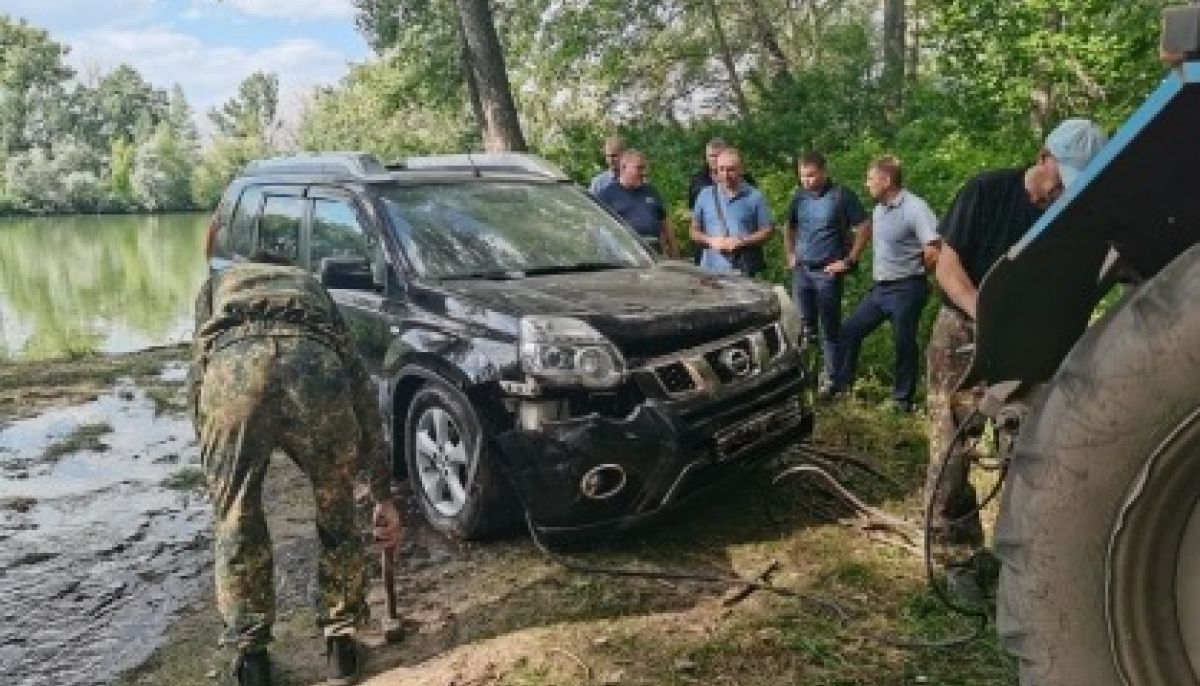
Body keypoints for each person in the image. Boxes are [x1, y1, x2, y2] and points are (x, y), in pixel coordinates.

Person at [190, 253, 402, 686]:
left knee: (237, 517)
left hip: (235, 371)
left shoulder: (217, 285)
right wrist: (383, 494)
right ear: (288, 268)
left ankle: (252, 658)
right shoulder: (310, 286)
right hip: (314, 367)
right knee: (336, 504)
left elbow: (199, 369)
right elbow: (361, 388)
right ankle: (340, 643)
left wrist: (213, 457)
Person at [926, 118, 1108, 580]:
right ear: (1043, 157)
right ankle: (953, 551)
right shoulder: (987, 192)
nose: (1062, 193)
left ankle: (1018, 554)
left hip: (1027, 339)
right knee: (952, 443)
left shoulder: (1073, 216)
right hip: (963, 333)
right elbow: (946, 264)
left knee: (1025, 442)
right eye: (1061, 180)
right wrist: (982, 311)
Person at [829, 156, 940, 411]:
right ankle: (842, 387)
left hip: (907, 287)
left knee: (903, 342)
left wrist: (919, 274)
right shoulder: (879, 209)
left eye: (871, 178)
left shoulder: (915, 207)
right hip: (881, 289)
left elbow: (933, 247)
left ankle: (902, 400)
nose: (866, 183)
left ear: (886, 180)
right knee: (849, 331)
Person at [784, 151, 869, 395]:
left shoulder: (841, 196)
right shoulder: (799, 198)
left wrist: (849, 260)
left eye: (811, 175)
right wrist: (790, 255)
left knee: (830, 329)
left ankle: (832, 380)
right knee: (803, 328)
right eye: (802, 176)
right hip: (802, 272)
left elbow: (864, 227)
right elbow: (789, 227)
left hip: (827, 273)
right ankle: (807, 377)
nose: (807, 181)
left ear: (823, 171)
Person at [689, 147, 774, 276]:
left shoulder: (755, 196)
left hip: (743, 270)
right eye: (721, 169)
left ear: (741, 169)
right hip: (710, 270)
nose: (725, 174)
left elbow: (767, 231)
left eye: (730, 169)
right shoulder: (704, 195)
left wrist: (742, 241)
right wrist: (711, 241)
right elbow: (693, 231)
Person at [595, 149, 679, 257]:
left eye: (644, 168)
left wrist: (674, 253)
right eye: (639, 168)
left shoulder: (651, 191)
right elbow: (598, 230)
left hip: (654, 255)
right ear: (624, 167)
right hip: (624, 257)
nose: (644, 173)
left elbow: (665, 224)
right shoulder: (607, 195)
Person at [687, 138, 757, 264]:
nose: (714, 159)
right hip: (709, 252)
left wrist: (742, 240)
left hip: (742, 254)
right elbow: (694, 221)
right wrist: (712, 240)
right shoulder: (698, 182)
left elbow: (759, 222)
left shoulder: (747, 181)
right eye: (711, 156)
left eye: (717, 155)